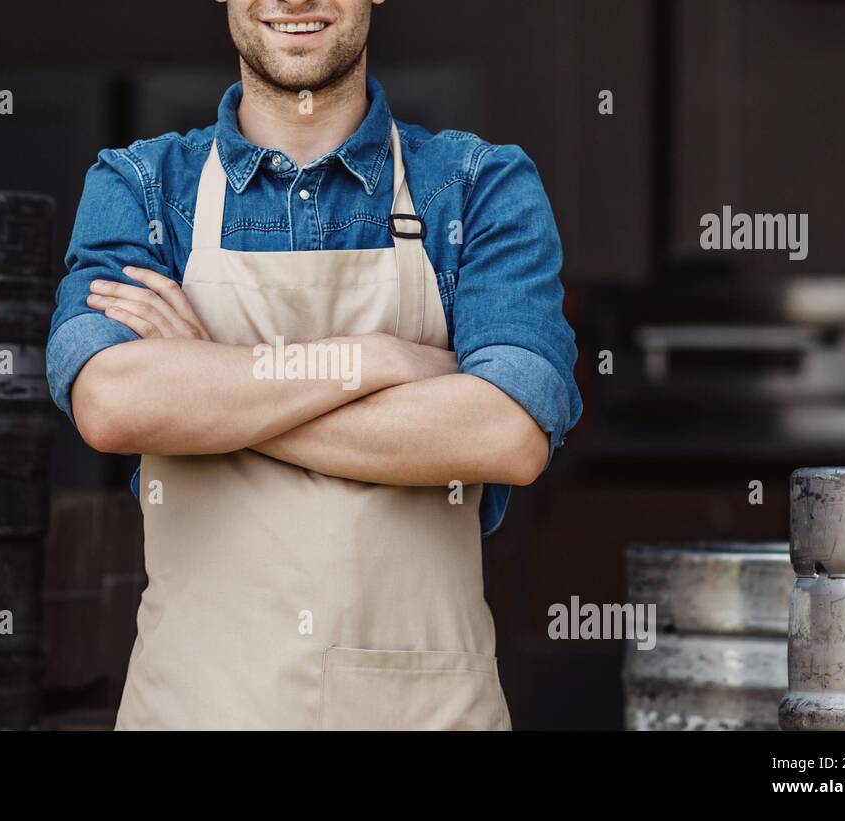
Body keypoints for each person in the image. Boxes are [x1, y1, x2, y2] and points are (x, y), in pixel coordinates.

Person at [46, 0, 582, 730]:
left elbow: (507, 434)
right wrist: (381, 359)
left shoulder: (477, 187)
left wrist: (207, 381)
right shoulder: (141, 188)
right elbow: (112, 406)